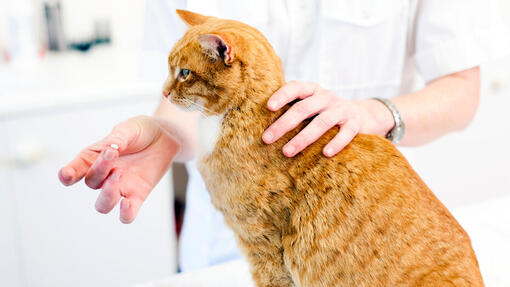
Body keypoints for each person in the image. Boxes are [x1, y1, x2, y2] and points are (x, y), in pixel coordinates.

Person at [58, 0, 507, 273]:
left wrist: (374, 113)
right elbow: (192, 95)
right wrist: (164, 135)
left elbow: (462, 90)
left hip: (364, 236)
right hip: (227, 247)